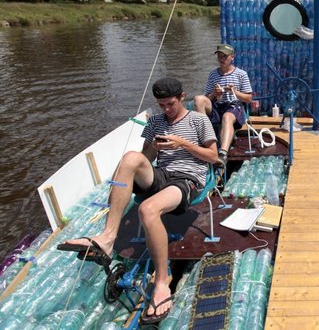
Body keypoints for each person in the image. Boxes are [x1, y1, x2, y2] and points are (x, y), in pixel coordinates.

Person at [58, 77, 218, 324]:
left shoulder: (199, 120)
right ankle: (108, 237)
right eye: (161, 104)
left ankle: (163, 281)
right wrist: (154, 148)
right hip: (162, 174)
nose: (166, 109)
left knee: (148, 209)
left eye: (171, 104)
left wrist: (182, 143)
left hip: (187, 179)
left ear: (182, 97)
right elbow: (146, 157)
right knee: (131, 157)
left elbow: (213, 156)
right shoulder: (155, 121)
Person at [194, 43, 253, 166]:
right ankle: (204, 139)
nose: (222, 59)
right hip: (217, 105)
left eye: (225, 56)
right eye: (219, 56)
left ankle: (222, 153)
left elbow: (249, 98)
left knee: (227, 117)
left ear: (232, 57)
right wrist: (214, 94)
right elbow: (207, 98)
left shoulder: (241, 74)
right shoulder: (213, 74)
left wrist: (235, 92)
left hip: (233, 106)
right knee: (199, 99)